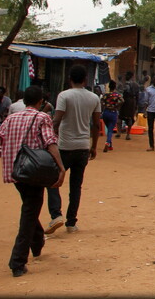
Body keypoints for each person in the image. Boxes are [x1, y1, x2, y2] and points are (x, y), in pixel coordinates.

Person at [0, 85, 66, 278]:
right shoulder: (42, 117)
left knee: (29, 207)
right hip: (34, 173)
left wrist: (8, 155)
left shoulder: (11, 117)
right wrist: (60, 168)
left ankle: (37, 242)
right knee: (29, 212)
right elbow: (50, 143)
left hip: (16, 172)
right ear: (41, 102)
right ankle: (17, 261)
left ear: (24, 100)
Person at [45, 64, 101, 235]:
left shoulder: (64, 96)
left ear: (70, 79)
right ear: (85, 80)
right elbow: (96, 125)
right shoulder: (94, 98)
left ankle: (56, 214)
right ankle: (71, 222)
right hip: (83, 146)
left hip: (64, 146)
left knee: (53, 180)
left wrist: (50, 139)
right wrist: (93, 147)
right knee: (76, 186)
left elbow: (56, 120)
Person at [99, 80, 124, 153]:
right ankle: (107, 142)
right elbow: (122, 101)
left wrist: (105, 106)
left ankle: (110, 145)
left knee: (108, 128)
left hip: (106, 112)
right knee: (110, 129)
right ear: (115, 87)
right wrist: (116, 106)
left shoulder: (105, 95)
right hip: (113, 112)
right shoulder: (117, 95)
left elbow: (101, 102)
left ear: (109, 86)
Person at [119, 71, 140, 140]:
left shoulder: (124, 84)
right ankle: (128, 134)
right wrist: (136, 104)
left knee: (120, 117)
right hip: (132, 102)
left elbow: (122, 93)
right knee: (130, 118)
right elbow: (137, 96)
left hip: (125, 101)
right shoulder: (136, 85)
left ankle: (119, 133)